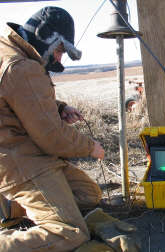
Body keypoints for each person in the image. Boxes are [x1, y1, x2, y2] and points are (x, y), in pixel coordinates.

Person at [0, 6, 105, 252]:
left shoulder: (7, 50)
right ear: (45, 36)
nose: (59, 58)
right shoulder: (22, 68)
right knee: (71, 234)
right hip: (23, 163)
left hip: (18, 154)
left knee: (89, 194)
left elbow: (17, 102)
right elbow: (52, 137)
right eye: (59, 50)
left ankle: (11, 205)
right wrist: (90, 147)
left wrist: (59, 108)